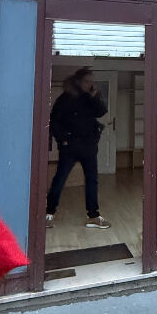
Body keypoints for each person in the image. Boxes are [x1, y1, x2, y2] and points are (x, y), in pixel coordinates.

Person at [46, 66, 110, 228]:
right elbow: (54, 121)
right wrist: (62, 140)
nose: (90, 84)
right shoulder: (66, 98)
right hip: (70, 146)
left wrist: (94, 98)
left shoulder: (91, 97)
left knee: (92, 180)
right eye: (87, 81)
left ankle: (93, 216)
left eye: (92, 82)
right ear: (78, 81)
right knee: (60, 178)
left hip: (89, 146)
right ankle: (49, 213)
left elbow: (102, 112)